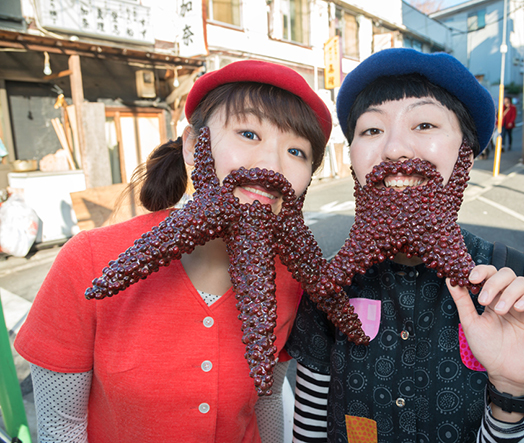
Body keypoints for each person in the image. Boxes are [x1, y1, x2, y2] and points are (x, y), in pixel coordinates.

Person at [14, 60, 332, 443]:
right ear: (194, 146)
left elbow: (265, 403)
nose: (272, 166)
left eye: (297, 151)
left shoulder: (290, 283)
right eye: (249, 133)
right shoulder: (89, 260)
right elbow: (60, 427)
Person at [285, 48, 524, 442]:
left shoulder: (518, 292)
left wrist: (513, 387)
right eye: (371, 130)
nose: (395, 149)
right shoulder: (329, 288)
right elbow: (309, 430)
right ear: (352, 157)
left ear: (466, 154)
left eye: (424, 124)